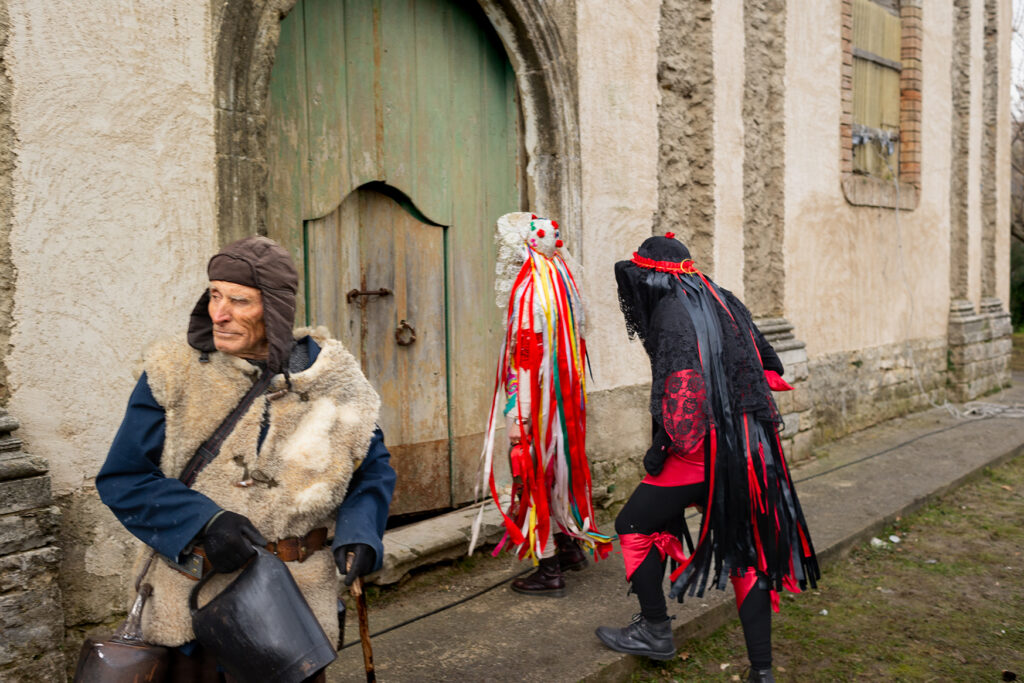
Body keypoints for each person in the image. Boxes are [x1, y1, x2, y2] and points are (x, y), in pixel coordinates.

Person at [97, 236, 396, 681]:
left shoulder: (336, 380)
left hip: (293, 614)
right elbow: (124, 477)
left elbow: (371, 469)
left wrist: (361, 530)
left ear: (274, 309)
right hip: (190, 607)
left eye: (239, 300)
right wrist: (204, 522)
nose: (219, 312)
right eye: (214, 295)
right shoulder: (172, 372)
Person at [596, 234, 819, 683]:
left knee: (632, 525)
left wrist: (659, 452)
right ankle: (762, 672)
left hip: (701, 451)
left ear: (650, 278)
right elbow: (770, 364)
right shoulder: (722, 299)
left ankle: (656, 631)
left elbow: (684, 406)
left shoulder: (671, 314)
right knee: (746, 552)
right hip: (751, 451)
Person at [470, 212, 612, 596]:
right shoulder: (558, 281)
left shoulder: (531, 291)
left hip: (538, 407)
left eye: (507, 247)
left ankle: (549, 568)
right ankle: (569, 548)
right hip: (561, 407)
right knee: (555, 474)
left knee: (533, 477)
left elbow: (527, 361)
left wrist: (519, 419)